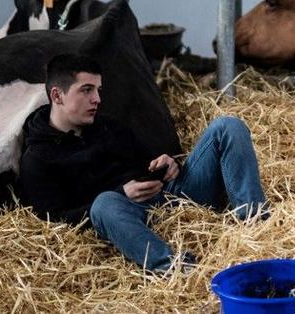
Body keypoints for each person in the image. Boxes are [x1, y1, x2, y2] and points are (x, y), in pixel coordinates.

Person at [20, 54, 268, 273]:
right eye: (86, 90)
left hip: (172, 198)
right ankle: (182, 269)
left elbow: (145, 163)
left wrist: (169, 165)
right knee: (104, 203)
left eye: (98, 90)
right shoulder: (37, 157)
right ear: (57, 95)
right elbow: (53, 218)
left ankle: (255, 227)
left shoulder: (109, 126)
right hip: (124, 217)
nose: (96, 99)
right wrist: (120, 193)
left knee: (227, 126)